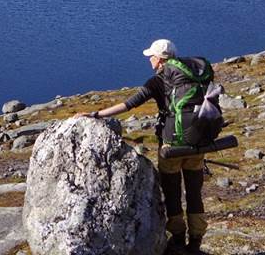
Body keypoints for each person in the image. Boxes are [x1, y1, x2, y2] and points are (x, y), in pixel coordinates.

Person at [80, 38, 216, 254]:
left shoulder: (157, 82)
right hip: (197, 142)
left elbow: (129, 104)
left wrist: (96, 114)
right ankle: (197, 239)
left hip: (171, 146)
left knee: (171, 192)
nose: (150, 60)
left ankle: (178, 238)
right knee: (194, 192)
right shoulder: (193, 75)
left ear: (160, 60)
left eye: (152, 56)